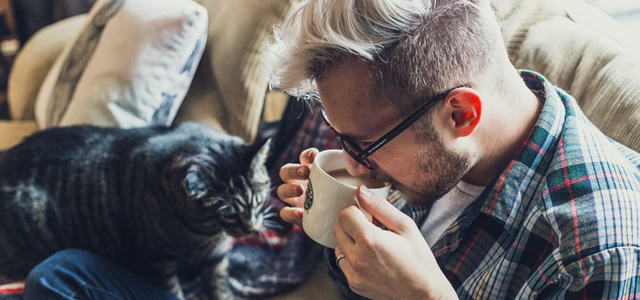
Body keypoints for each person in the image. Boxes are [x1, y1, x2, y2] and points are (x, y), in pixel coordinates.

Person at [266, 0, 640, 299]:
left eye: (363, 144)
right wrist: (343, 231)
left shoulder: (594, 255)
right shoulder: (438, 149)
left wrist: (425, 296)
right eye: (340, 136)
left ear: (461, 115)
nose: (352, 163)